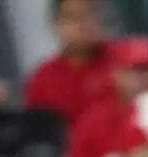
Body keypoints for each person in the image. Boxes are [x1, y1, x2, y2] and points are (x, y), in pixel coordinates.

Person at [21, 0, 117, 134]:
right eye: (73, 17)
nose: (83, 24)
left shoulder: (124, 60)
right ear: (55, 24)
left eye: (89, 14)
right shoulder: (43, 79)